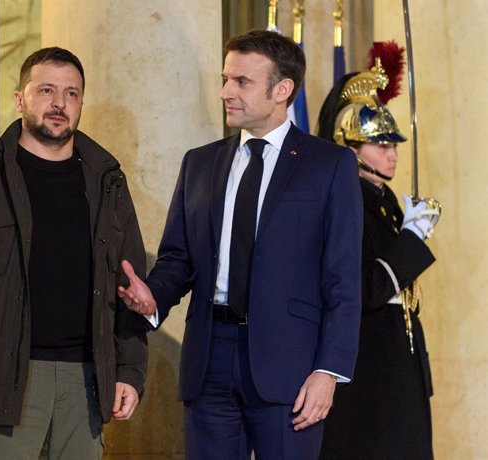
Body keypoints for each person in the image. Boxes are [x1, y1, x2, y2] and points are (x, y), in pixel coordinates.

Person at [118, 30, 363, 459]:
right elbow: (179, 257)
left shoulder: (330, 165)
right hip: (209, 361)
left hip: (290, 368)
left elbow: (342, 277)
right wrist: (152, 297)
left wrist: (329, 371)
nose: (225, 92)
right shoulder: (200, 162)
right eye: (226, 79)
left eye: (241, 82)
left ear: (282, 90)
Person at [0, 46, 148, 459]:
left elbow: (130, 286)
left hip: (87, 385)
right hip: (3, 381)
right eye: (46, 90)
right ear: (19, 98)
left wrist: (130, 372)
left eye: (72, 93)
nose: (59, 103)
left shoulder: (107, 182)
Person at [316, 49, 438, 460]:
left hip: (397, 366)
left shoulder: (383, 199)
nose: (393, 153)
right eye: (379, 143)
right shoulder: (346, 198)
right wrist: (412, 240)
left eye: (393, 143)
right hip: (367, 375)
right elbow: (365, 287)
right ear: (348, 146)